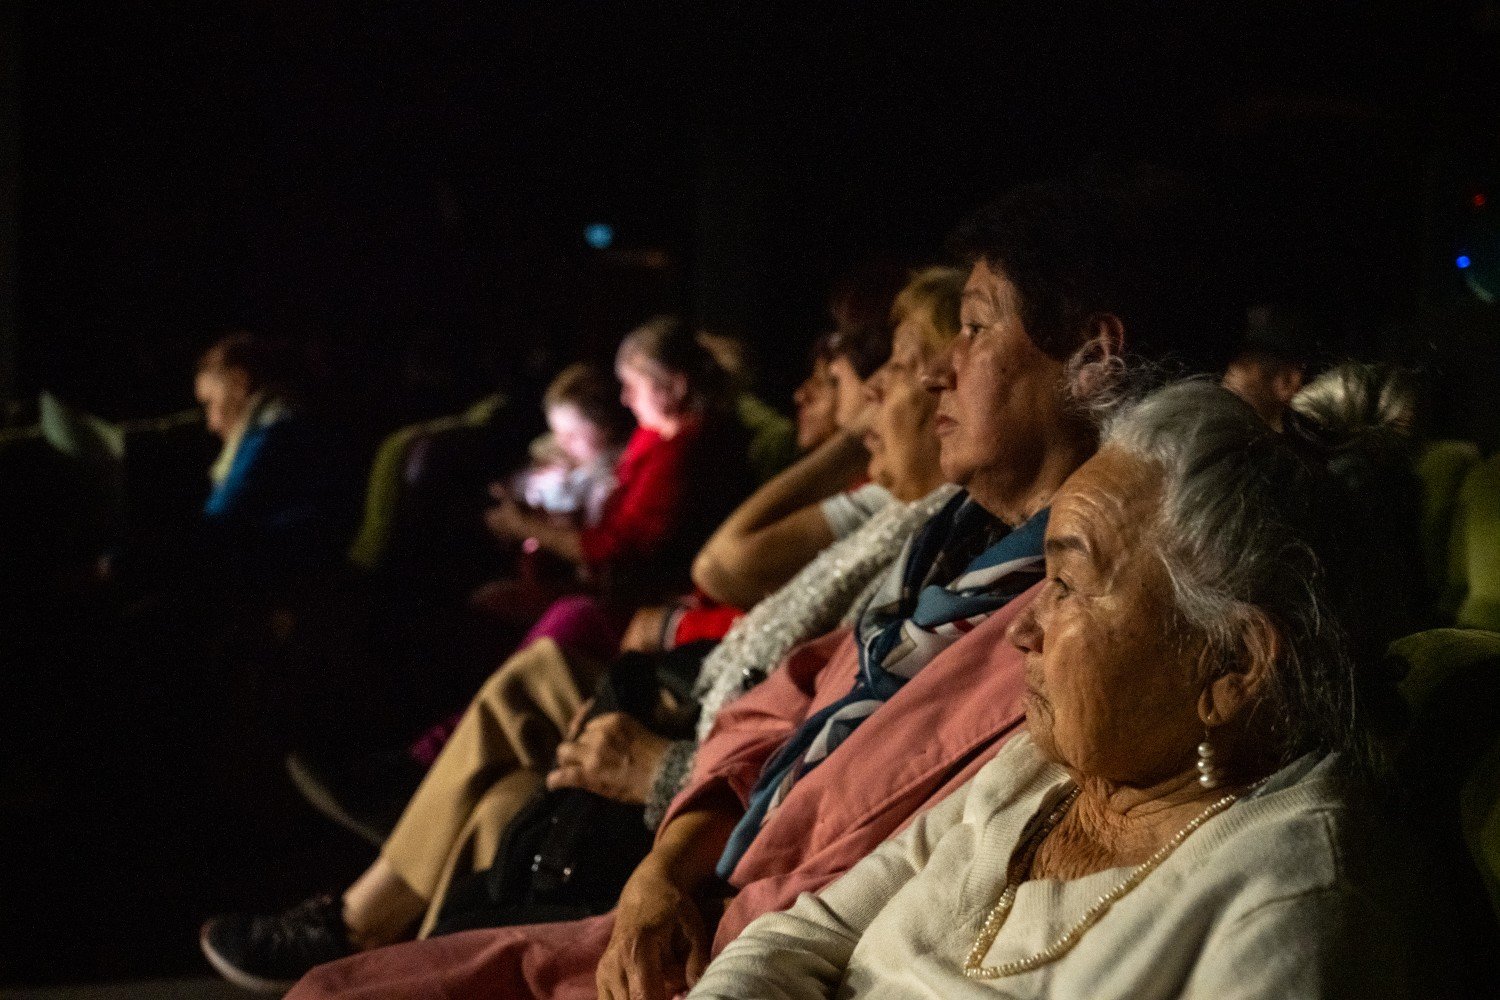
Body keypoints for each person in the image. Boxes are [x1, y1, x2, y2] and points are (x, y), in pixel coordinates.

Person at [278, 172, 1239, 1000]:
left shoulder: (1086, 623)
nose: (931, 376)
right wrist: (668, 864)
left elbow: (860, 871)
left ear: (1095, 357)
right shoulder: (953, 542)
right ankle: (370, 886)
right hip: (704, 871)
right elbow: (783, 690)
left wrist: (676, 851)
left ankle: (363, 897)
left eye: (973, 330)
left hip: (739, 932)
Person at [198, 266, 965, 993]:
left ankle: (365, 911)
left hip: (713, 748)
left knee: (548, 660)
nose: (875, 390)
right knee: (505, 792)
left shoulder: (926, 532)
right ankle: (384, 930)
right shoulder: (898, 510)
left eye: (901, 368)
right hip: (713, 711)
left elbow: (736, 602)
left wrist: (667, 765)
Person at [687, 378, 1449, 999]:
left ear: (1233, 667)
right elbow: (800, 936)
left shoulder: (1292, 904)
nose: (1022, 629)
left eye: (1067, 584)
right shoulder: (1044, 770)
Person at [193, 332, 358, 581]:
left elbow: (220, 515)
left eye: (210, 403)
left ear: (239, 382)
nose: (211, 424)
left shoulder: (271, 432)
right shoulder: (289, 422)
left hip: (297, 572)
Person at [510, 363, 632, 527]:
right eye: (556, 432)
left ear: (605, 427)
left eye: (573, 435)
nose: (562, 442)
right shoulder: (550, 454)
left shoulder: (615, 478)